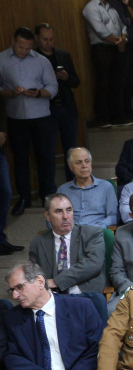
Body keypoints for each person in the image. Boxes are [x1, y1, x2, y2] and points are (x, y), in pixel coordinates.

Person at [0, 27, 59, 214]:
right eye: (20, 47)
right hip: (15, 117)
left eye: (27, 48)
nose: (24, 51)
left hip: (41, 116)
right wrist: (10, 92)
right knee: (20, 159)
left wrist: (40, 93)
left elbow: (53, 86)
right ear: (13, 41)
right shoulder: (1, 59)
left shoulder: (41, 61)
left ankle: (47, 196)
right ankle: (24, 198)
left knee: (45, 157)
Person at [29, 194, 105, 295]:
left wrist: (56, 282)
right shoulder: (38, 242)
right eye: (58, 211)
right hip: (53, 297)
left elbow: (93, 264)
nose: (65, 216)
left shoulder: (92, 234)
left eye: (69, 210)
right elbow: (34, 275)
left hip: (85, 295)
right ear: (47, 216)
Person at [34, 24, 80, 182]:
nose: (49, 43)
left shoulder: (63, 55)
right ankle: (49, 188)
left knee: (71, 150)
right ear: (37, 38)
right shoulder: (33, 58)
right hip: (46, 109)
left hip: (66, 107)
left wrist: (66, 77)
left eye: (51, 39)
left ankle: (73, 184)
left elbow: (76, 81)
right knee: (47, 151)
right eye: (45, 39)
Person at [81, 0, 128, 129]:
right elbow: (100, 30)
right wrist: (119, 42)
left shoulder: (111, 7)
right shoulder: (90, 8)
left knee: (117, 83)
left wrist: (123, 39)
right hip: (102, 49)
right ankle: (102, 118)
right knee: (104, 83)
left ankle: (117, 116)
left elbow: (123, 25)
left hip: (116, 48)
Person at [57, 147, 118, 228]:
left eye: (87, 161)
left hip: (97, 231)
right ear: (71, 167)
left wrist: (97, 227)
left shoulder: (106, 187)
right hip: (71, 232)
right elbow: (54, 217)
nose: (84, 165)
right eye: (79, 162)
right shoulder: (63, 190)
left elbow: (113, 216)